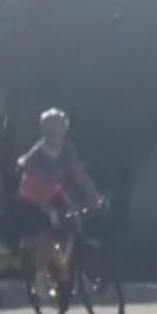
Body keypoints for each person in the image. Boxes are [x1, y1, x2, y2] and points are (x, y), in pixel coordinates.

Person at [16, 109, 103, 290]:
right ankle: (41, 277)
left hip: (55, 193)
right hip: (32, 197)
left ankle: (68, 270)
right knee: (46, 234)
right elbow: (31, 182)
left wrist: (94, 196)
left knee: (71, 227)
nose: (56, 130)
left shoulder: (68, 150)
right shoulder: (36, 155)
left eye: (60, 125)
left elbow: (80, 175)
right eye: (52, 126)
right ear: (44, 129)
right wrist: (44, 205)